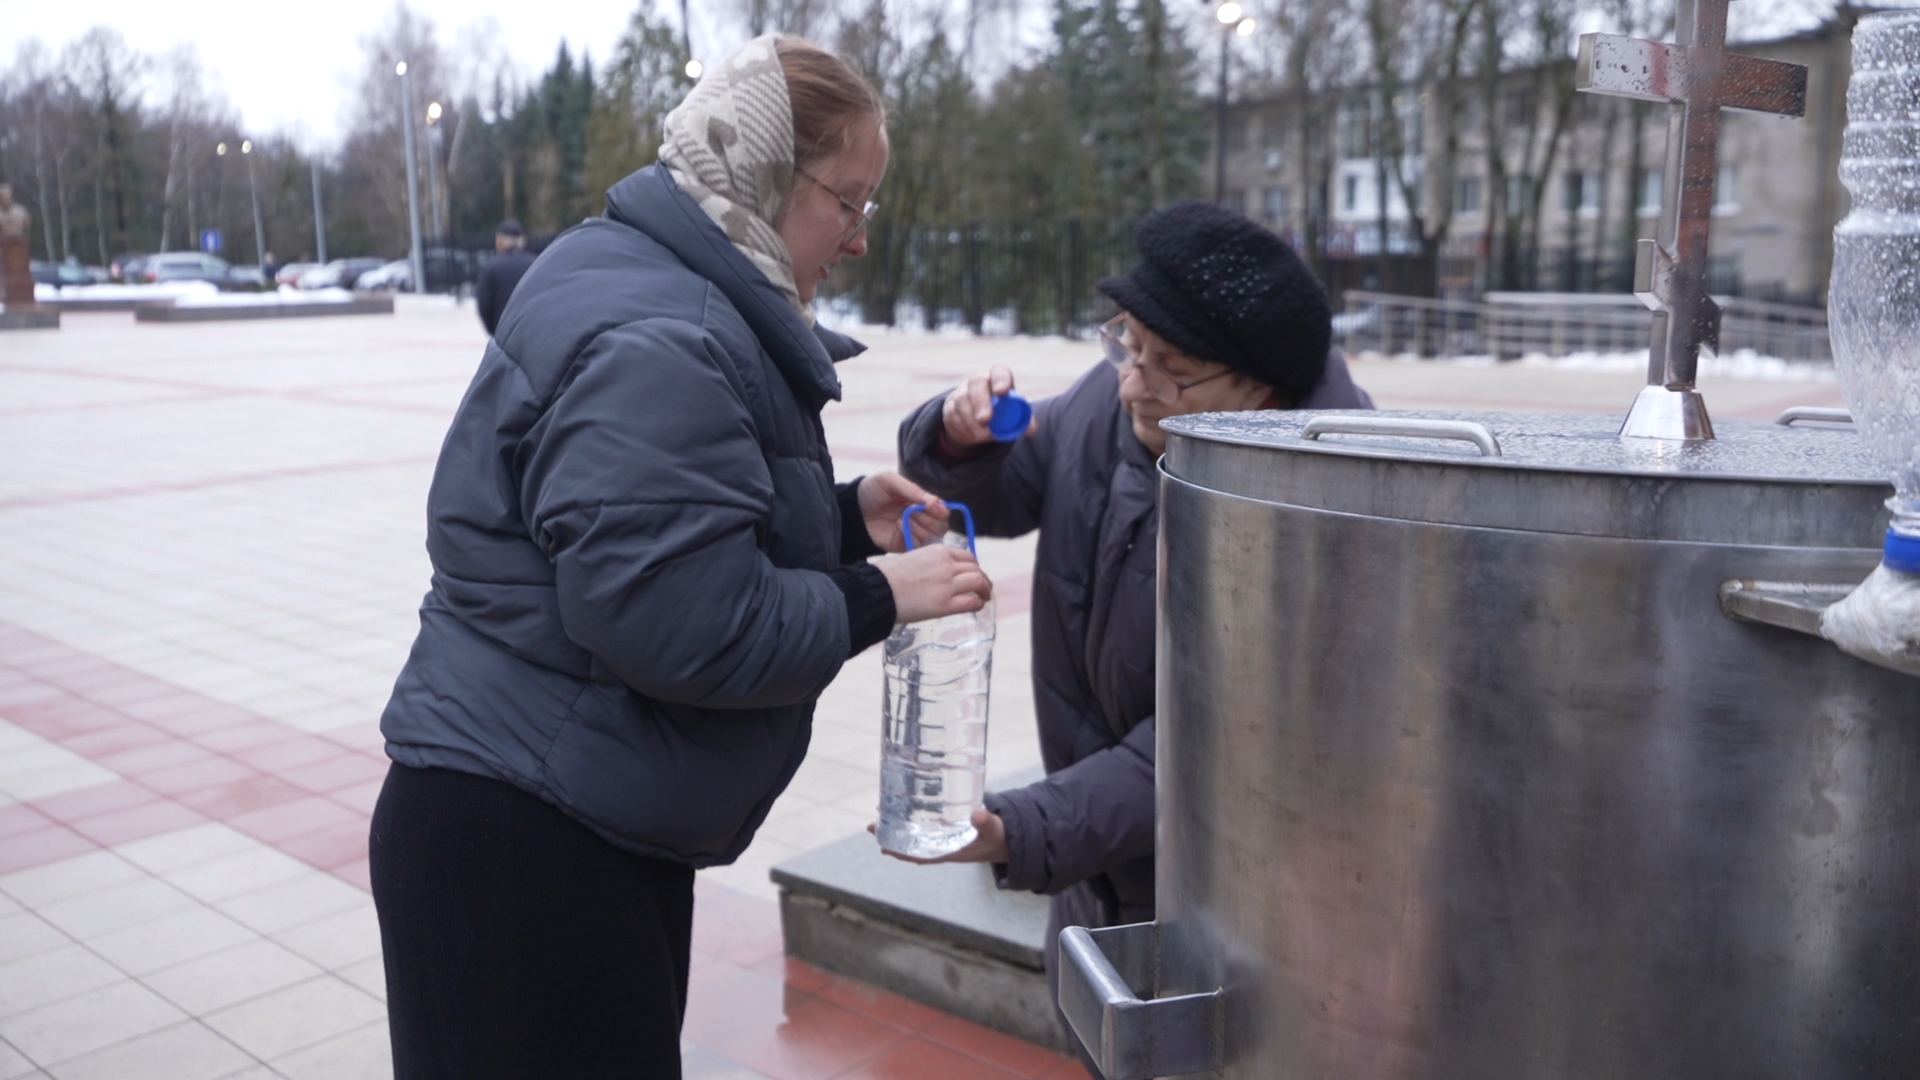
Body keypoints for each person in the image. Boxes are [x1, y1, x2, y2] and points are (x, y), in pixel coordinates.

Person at [369, 35, 993, 1079]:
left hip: (552, 809)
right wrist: (879, 595)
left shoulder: (645, 275)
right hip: (530, 848)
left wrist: (847, 522)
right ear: (764, 173)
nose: (856, 242)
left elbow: (651, 536)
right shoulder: (667, 332)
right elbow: (677, 623)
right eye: (848, 203)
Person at [891, 199, 1374, 1068]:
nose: (1133, 380)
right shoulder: (1110, 407)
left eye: (1171, 368)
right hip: (1099, 894)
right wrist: (957, 437)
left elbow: (1217, 742)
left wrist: (1023, 829)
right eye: (1126, 343)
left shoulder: (1325, 507)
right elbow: (1002, 487)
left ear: (1258, 392)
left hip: (1238, 924)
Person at [473, 219, 535, 336]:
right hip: (531, 333)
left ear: (500, 241)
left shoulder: (491, 267)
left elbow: (484, 306)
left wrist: (494, 331)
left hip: (503, 332)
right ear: (522, 241)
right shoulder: (536, 264)